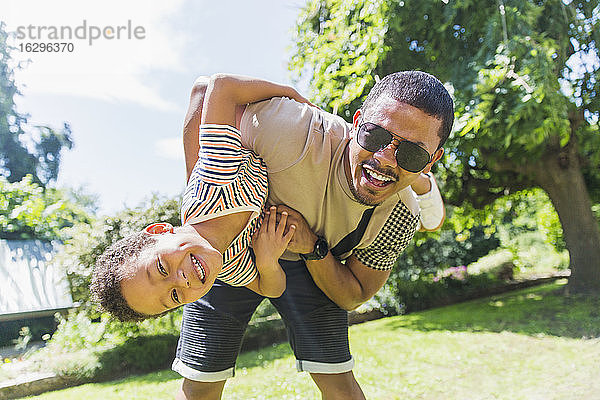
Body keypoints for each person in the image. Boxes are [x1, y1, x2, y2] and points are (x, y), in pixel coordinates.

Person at [174, 72, 454, 400]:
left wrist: (312, 247)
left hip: (317, 264)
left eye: (413, 155)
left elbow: (354, 294)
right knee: (200, 386)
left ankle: (415, 175)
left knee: (339, 386)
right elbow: (206, 91)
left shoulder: (400, 214)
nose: (384, 159)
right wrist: (205, 212)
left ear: (432, 160)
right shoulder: (290, 128)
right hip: (239, 250)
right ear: (357, 123)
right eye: (375, 136)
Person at [90, 82, 318, 321]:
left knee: (203, 90)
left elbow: (221, 87)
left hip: (281, 135)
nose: (182, 281)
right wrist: (267, 261)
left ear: (159, 230)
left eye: (161, 268)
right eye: (175, 296)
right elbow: (273, 289)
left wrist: (292, 95)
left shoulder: (214, 183)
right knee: (201, 92)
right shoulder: (229, 265)